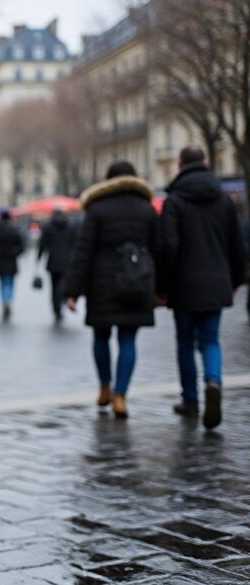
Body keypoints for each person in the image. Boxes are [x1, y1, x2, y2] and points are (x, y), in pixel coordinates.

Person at [158, 145, 247, 429]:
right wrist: (236, 280)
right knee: (210, 339)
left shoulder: (175, 200)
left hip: (184, 284)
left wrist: (162, 285)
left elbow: (168, 246)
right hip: (217, 281)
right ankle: (213, 381)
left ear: (181, 164)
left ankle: (191, 400)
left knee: (185, 342)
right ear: (206, 163)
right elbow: (237, 245)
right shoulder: (223, 199)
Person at [63, 161, 158, 419]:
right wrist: (161, 288)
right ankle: (121, 395)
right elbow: (161, 250)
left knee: (101, 337)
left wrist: (71, 290)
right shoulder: (146, 209)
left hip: (101, 283)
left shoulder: (97, 209)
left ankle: (104, 387)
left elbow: (83, 251)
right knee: (128, 340)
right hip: (138, 281)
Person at [38, 208, 77, 324]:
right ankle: (61, 302)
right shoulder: (70, 226)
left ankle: (56, 308)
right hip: (67, 261)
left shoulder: (48, 227)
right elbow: (75, 244)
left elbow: (43, 244)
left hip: (53, 260)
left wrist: (38, 258)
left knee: (54, 286)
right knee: (63, 284)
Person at [0, 210, 24, 320]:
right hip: (11, 260)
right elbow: (21, 247)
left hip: (1, 260)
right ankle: (8, 299)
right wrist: (14, 252)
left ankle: (5, 300)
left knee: (2, 283)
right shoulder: (14, 230)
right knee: (10, 282)